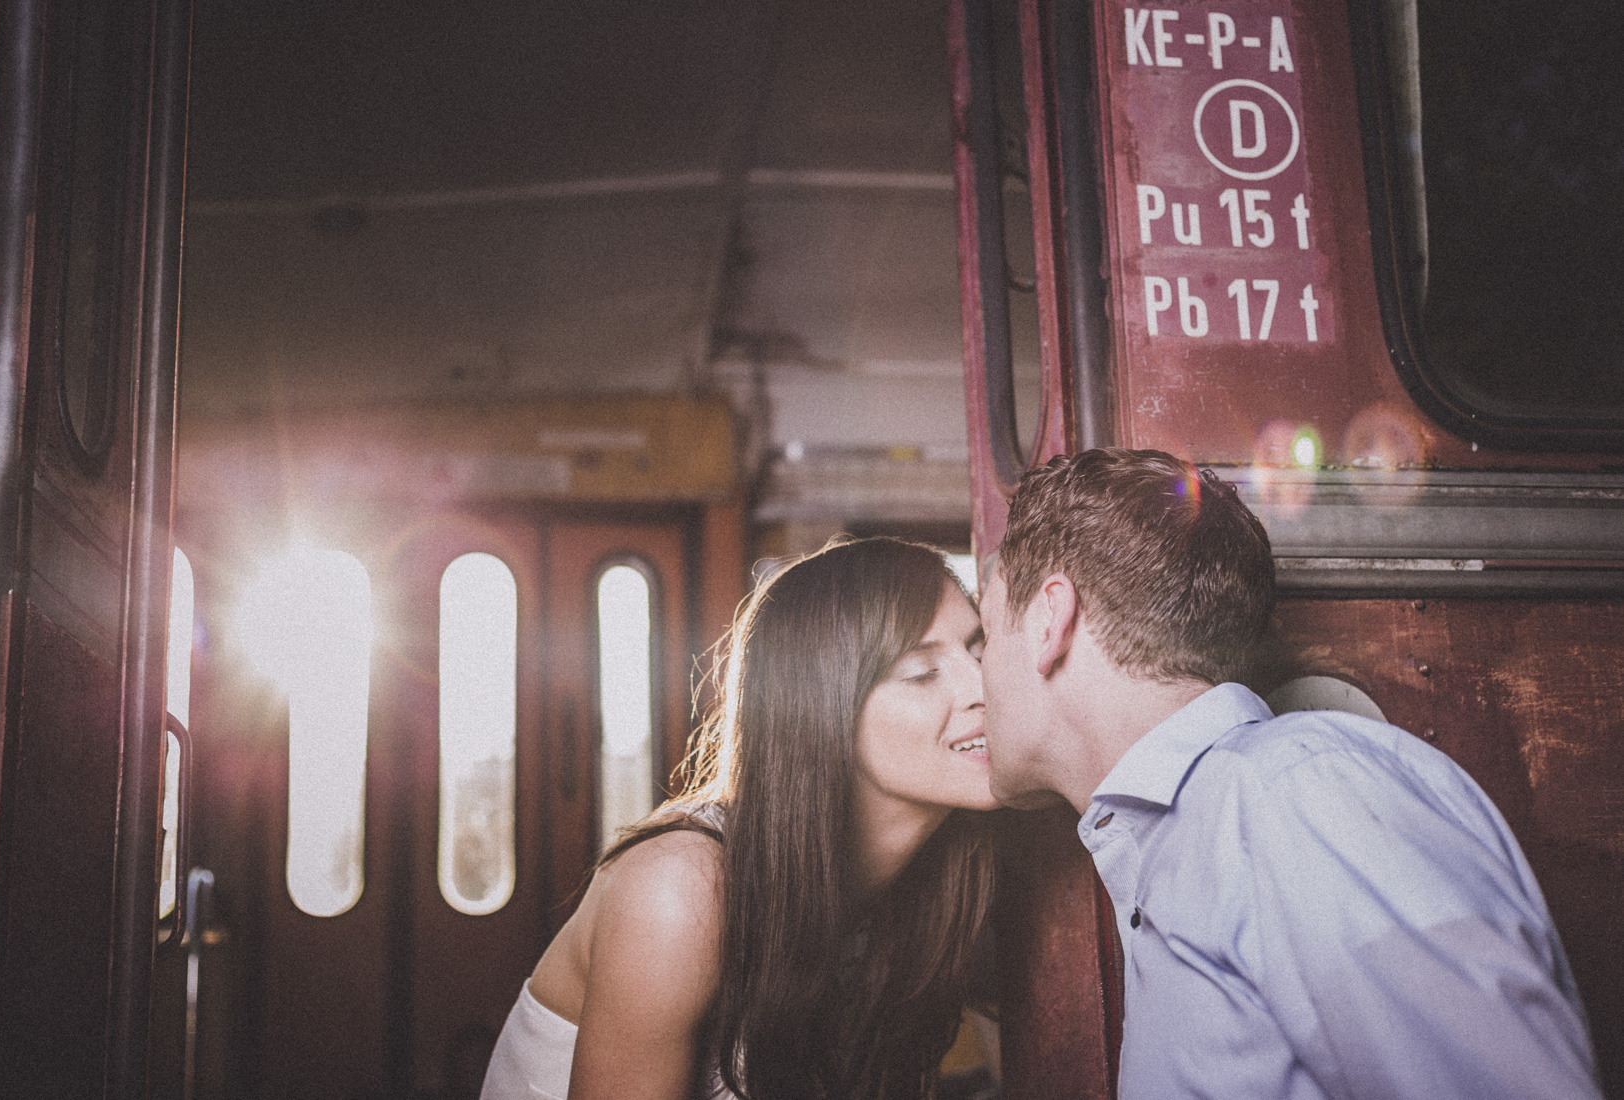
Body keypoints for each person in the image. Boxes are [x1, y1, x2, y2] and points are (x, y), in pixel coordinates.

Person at [977, 448, 1601, 1100]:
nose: (980, 675)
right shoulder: (1208, 825)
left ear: (1050, 620)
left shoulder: (1294, 798)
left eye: (988, 635)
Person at [481, 537, 997, 1100]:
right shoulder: (681, 889)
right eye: (922, 673)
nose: (984, 687)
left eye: (979, 651)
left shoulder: (946, 881)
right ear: (822, 709)